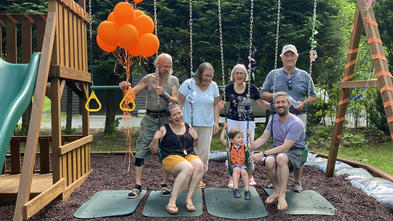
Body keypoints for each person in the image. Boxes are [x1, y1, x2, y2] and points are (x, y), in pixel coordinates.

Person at [119, 53, 179, 199]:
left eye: (169, 66)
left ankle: (164, 184)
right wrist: (125, 88)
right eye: (165, 66)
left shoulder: (174, 80)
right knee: (141, 149)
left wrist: (163, 94)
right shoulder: (148, 79)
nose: (167, 69)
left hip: (165, 119)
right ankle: (137, 186)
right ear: (157, 65)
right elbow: (131, 96)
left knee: (166, 151)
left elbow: (175, 100)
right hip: (149, 119)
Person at [260, 44, 317, 192]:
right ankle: (278, 181)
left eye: (292, 55)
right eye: (286, 55)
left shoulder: (305, 75)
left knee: (298, 148)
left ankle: (297, 181)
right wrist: (277, 96)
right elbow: (263, 94)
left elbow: (313, 97)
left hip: (298, 116)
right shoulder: (273, 74)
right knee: (278, 146)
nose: (289, 58)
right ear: (282, 58)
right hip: (278, 117)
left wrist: (303, 103)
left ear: (296, 57)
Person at [249, 91, 306, 211]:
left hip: (295, 151)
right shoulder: (273, 118)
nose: (280, 105)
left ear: (289, 104)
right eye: (277, 102)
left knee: (280, 158)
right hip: (278, 150)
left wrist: (263, 153)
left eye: (283, 102)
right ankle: (277, 190)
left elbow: (286, 148)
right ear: (274, 105)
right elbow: (264, 138)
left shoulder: (296, 123)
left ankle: (282, 195)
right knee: (269, 161)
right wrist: (250, 146)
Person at [218, 64, 270, 188]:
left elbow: (260, 102)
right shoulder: (229, 88)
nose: (239, 75)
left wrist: (273, 106)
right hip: (232, 120)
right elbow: (222, 103)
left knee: (249, 148)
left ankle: (250, 174)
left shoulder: (251, 88)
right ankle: (231, 177)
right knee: (231, 148)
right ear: (233, 75)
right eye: (237, 73)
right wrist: (216, 106)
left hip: (247, 121)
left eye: (242, 73)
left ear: (245, 75)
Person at [149, 103, 203, 215]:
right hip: (170, 156)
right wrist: (155, 139)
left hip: (188, 154)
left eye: (179, 113)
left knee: (199, 166)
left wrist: (196, 138)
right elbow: (153, 151)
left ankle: (188, 198)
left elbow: (194, 146)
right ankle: (172, 202)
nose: (178, 116)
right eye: (174, 115)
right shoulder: (164, 129)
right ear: (169, 117)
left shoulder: (188, 126)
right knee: (187, 168)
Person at [178, 62, 220, 188]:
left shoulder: (214, 86)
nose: (208, 78)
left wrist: (216, 122)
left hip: (207, 125)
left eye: (211, 76)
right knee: (189, 152)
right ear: (199, 74)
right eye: (206, 76)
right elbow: (179, 101)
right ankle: (187, 179)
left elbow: (216, 104)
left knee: (203, 153)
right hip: (189, 124)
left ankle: (198, 178)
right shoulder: (188, 84)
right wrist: (180, 122)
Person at [220, 123, 254, 200]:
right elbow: (222, 140)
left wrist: (249, 135)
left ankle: (247, 190)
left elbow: (253, 145)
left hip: (243, 165)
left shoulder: (244, 146)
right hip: (233, 165)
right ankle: (236, 189)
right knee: (236, 170)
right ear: (231, 140)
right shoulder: (230, 146)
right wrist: (224, 129)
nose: (241, 139)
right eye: (238, 137)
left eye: (242, 137)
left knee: (244, 172)